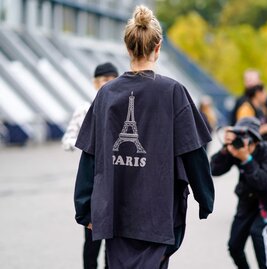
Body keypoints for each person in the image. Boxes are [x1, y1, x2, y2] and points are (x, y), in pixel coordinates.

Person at [73, 5, 214, 269]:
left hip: (116, 212)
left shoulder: (106, 94)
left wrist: (84, 208)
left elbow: (90, 155)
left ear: (127, 48)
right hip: (158, 213)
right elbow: (193, 152)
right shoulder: (174, 92)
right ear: (158, 47)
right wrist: (205, 199)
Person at [62, 62, 119, 269]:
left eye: (113, 79)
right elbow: (68, 138)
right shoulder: (85, 109)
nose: (108, 84)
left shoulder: (123, 106)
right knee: (92, 238)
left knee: (114, 242)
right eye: (105, 80)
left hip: (116, 176)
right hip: (93, 176)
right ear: (96, 83)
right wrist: (84, 144)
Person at [211, 117, 267, 269]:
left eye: (248, 140)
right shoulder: (236, 150)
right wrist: (225, 149)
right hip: (247, 202)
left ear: (256, 141)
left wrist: (247, 159)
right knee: (234, 246)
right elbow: (214, 169)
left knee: (257, 232)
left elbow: (264, 183)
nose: (244, 145)